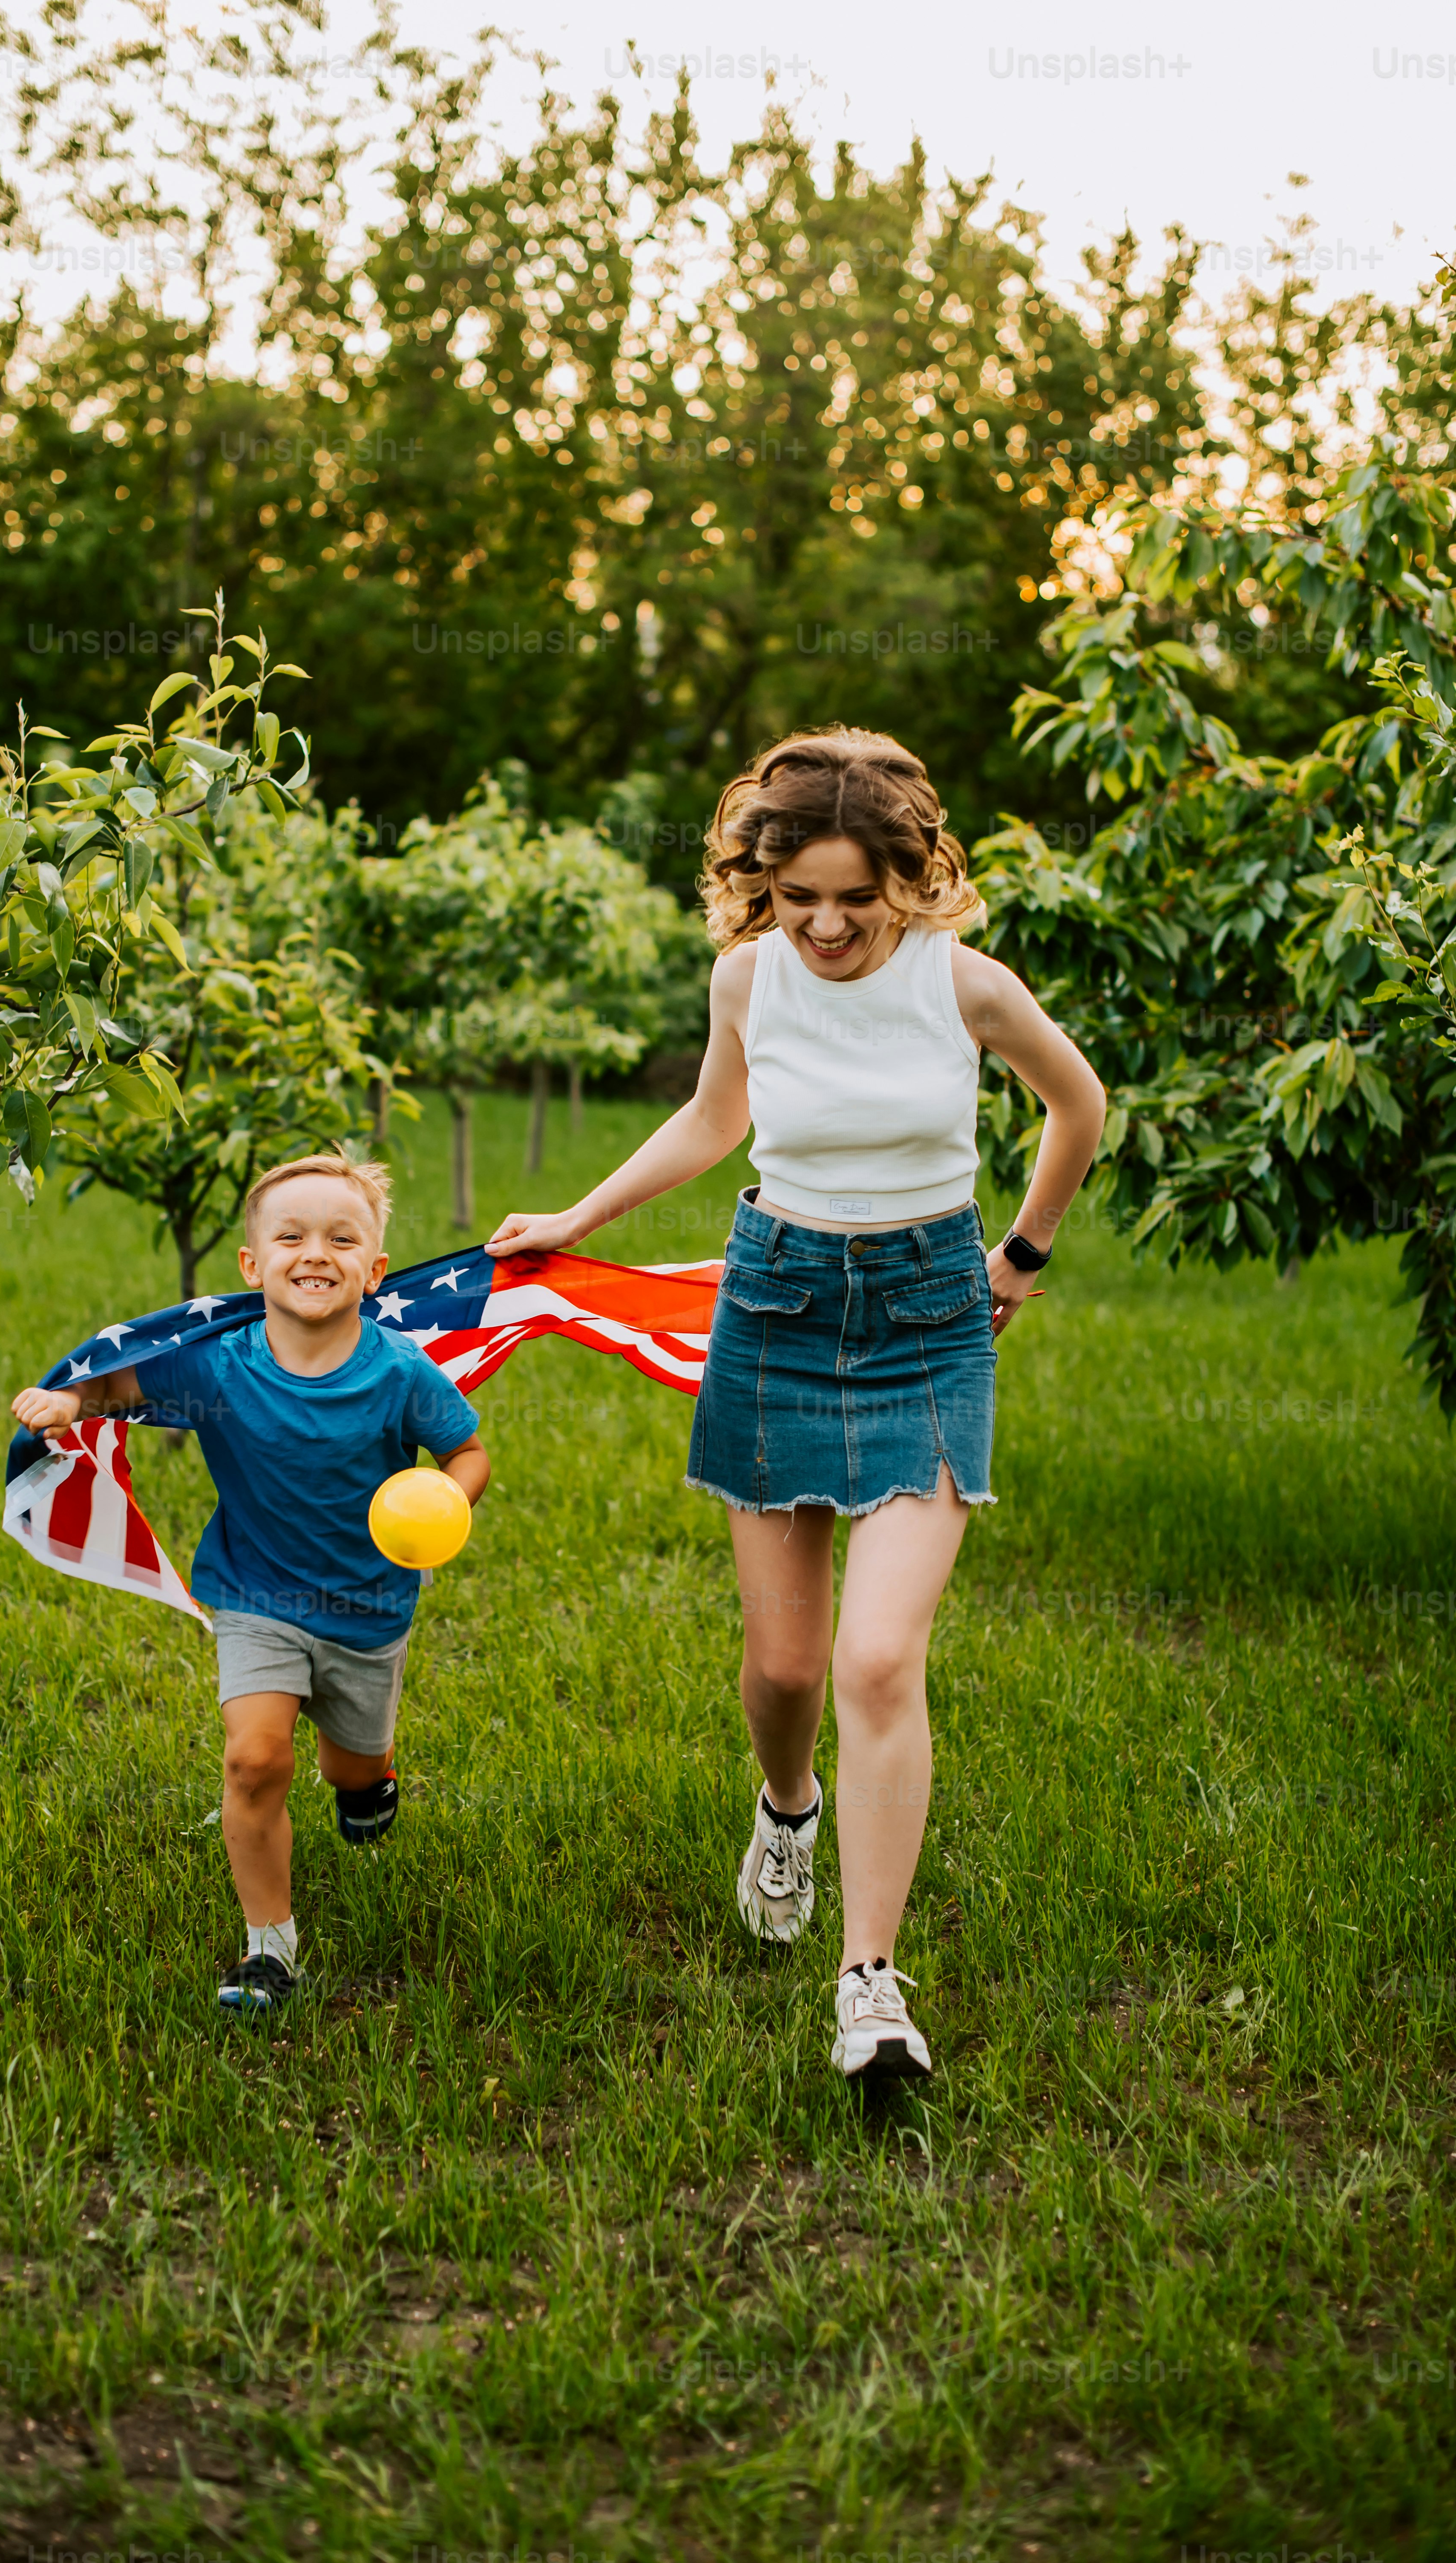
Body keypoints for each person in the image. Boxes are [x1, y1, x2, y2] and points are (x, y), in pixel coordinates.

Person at [486, 731, 1104, 2088]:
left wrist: (1026, 1255)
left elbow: (1080, 1106)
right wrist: (579, 1218)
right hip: (775, 1309)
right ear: (761, 885)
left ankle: (870, 1985)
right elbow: (715, 1122)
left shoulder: (969, 985)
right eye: (796, 895)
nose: (825, 924)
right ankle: (788, 1809)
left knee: (879, 1660)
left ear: (909, 878)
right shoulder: (748, 977)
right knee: (785, 1672)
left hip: (931, 1318)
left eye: (854, 897)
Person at [10, 1152, 489, 2016]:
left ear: (374, 1269)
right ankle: (269, 1946)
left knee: (352, 1765)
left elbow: (467, 1448)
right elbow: (127, 1382)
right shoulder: (220, 1368)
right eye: (292, 1235)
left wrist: (449, 1493)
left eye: (343, 1238)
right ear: (252, 1263)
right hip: (254, 1596)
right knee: (254, 1758)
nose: (316, 1252)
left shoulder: (397, 1371)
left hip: (368, 1606)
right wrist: (73, 1402)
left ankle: (367, 1779)